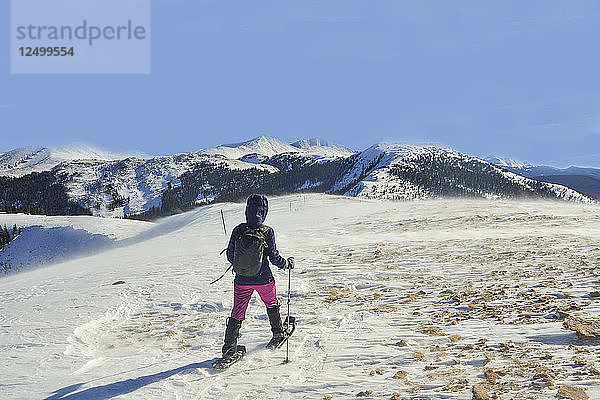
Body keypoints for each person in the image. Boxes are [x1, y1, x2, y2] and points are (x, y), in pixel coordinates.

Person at [221, 194, 294, 360]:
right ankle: (277, 334)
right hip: (264, 279)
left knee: (237, 311)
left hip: (241, 279)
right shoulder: (267, 231)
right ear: (264, 211)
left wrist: (243, 267)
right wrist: (286, 264)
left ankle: (229, 349)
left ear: (247, 210)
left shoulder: (238, 230)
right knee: (271, 304)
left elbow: (230, 255)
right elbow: (274, 257)